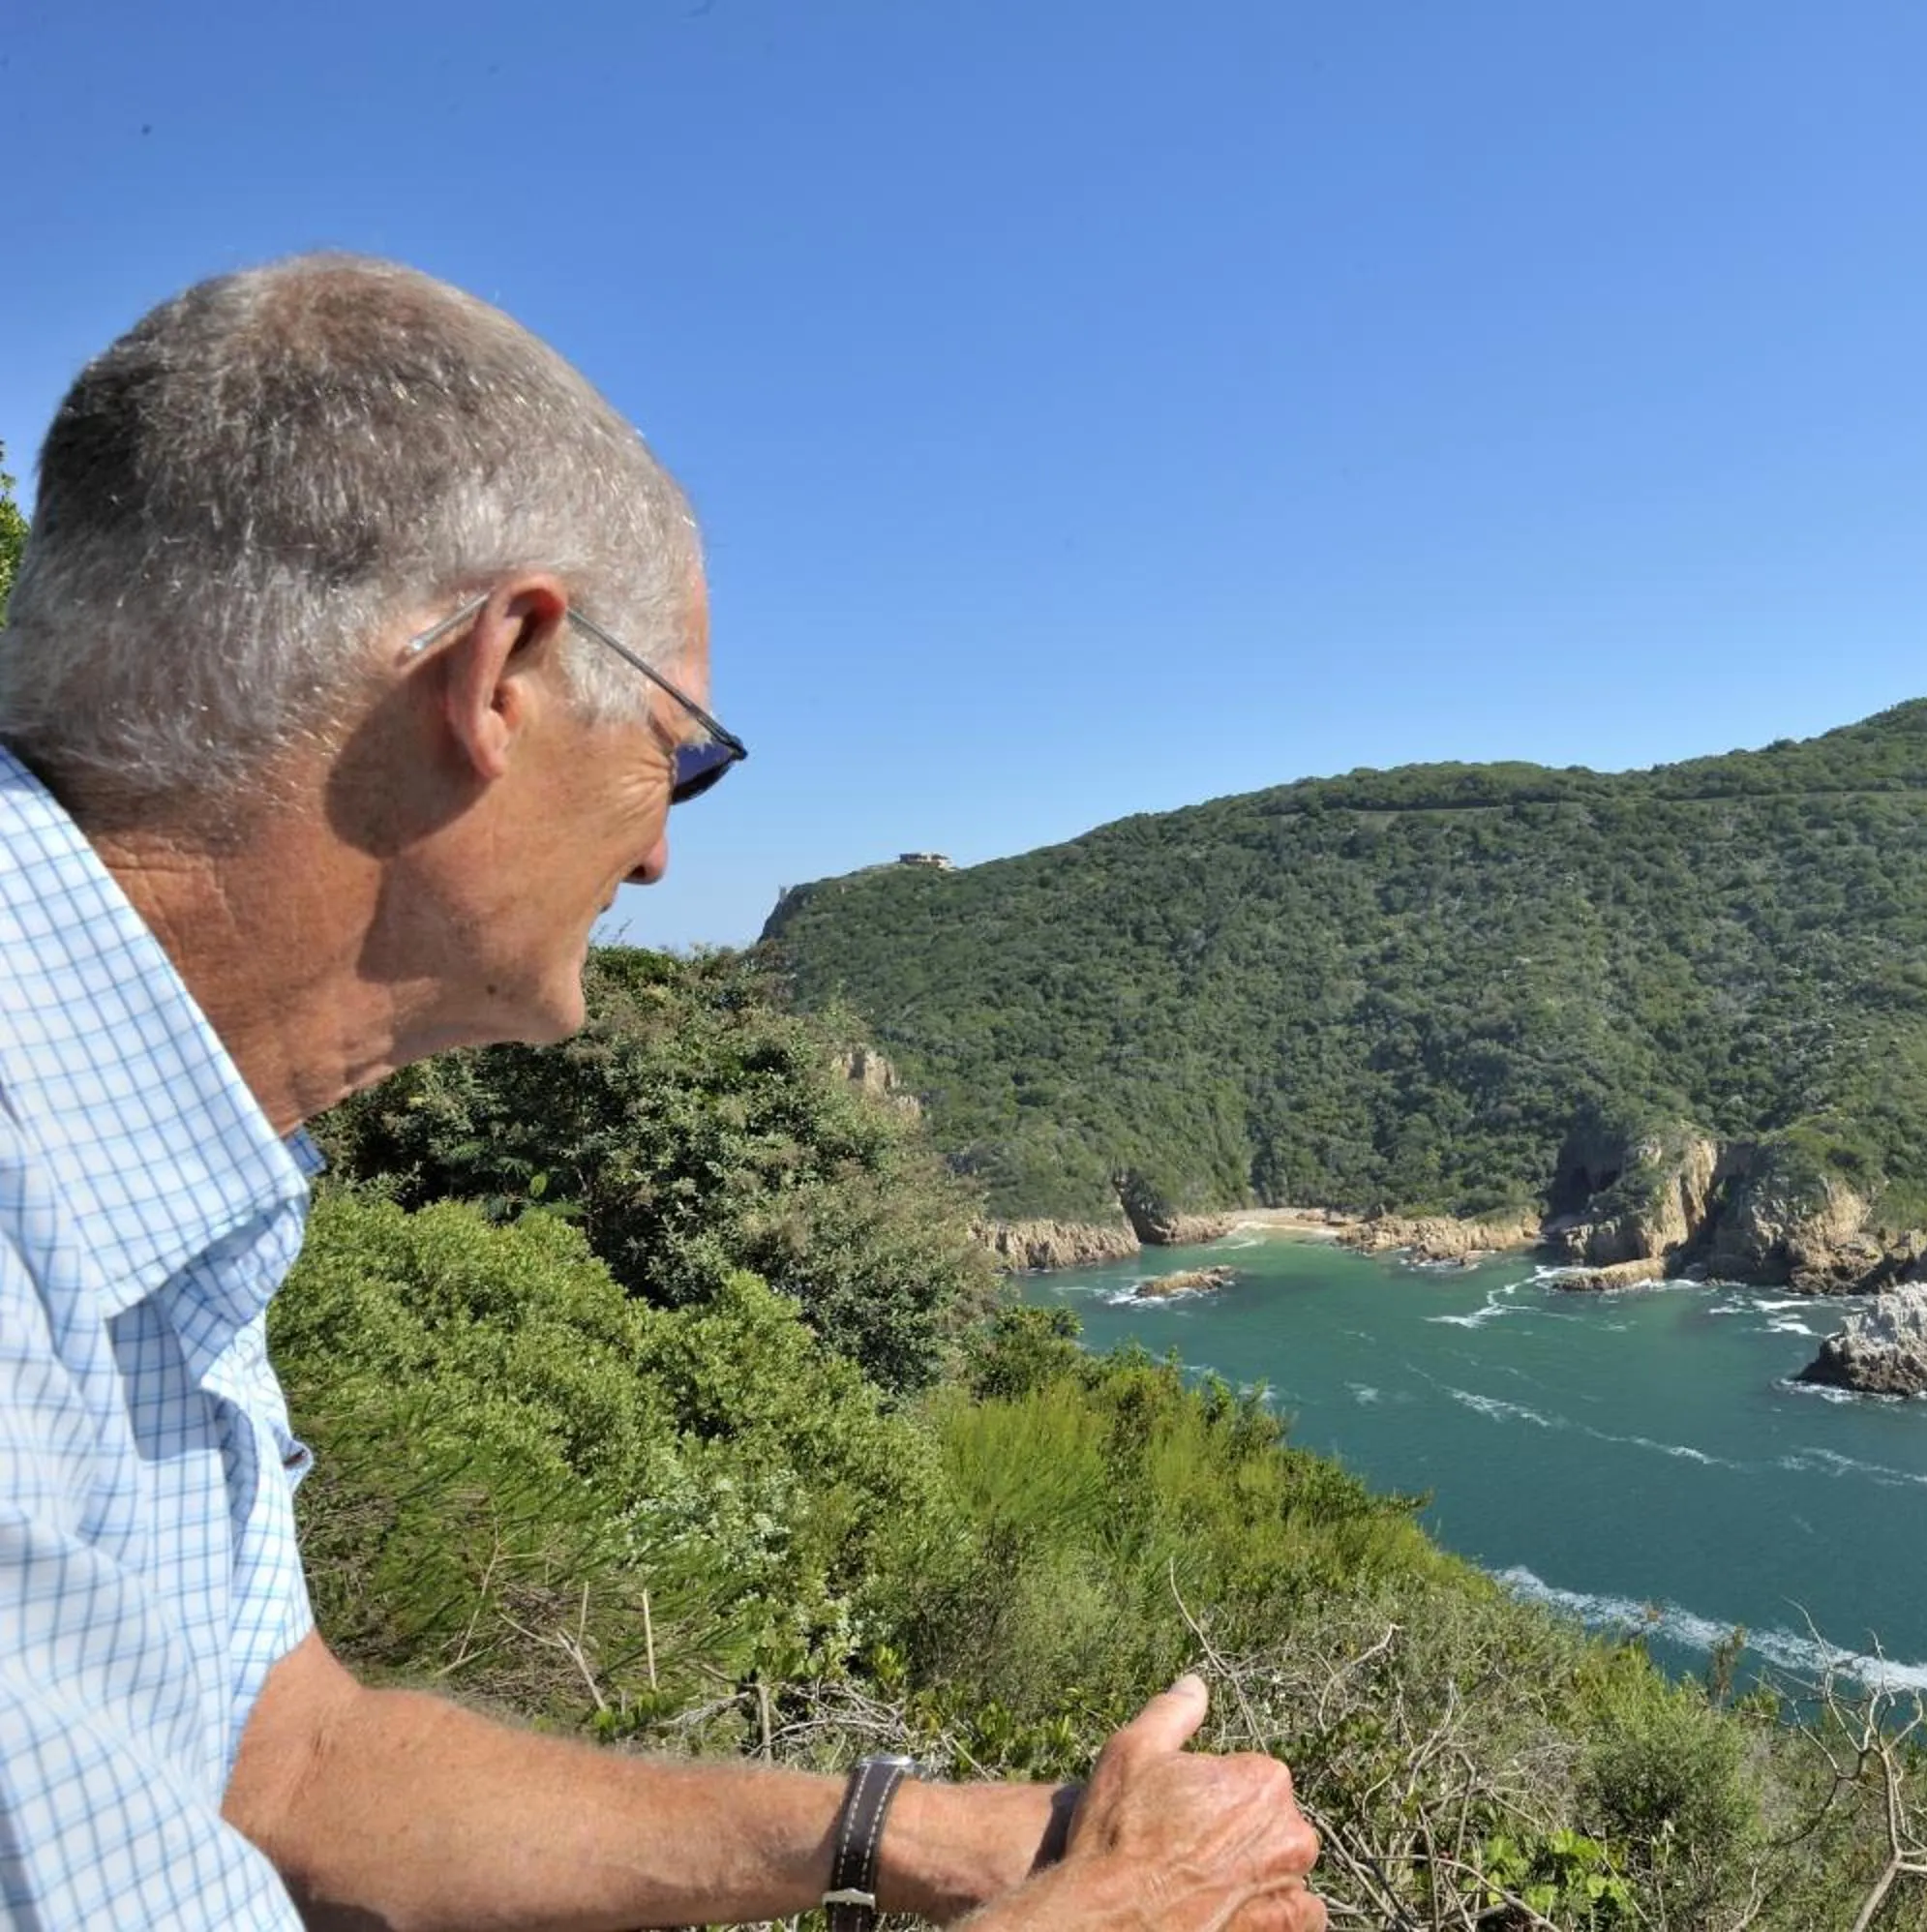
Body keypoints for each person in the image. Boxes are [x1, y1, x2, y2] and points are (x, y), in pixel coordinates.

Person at [0, 256, 1325, 1929]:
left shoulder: (141, 1146)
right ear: (502, 674)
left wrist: (914, 1837)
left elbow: (288, 1769)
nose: (657, 857)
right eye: (680, 755)